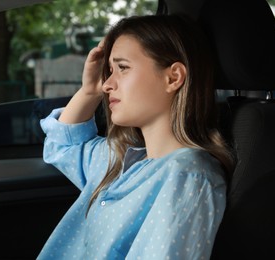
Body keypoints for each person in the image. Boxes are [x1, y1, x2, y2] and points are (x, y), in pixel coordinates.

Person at [38, 14, 234, 259]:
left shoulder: (187, 176)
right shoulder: (120, 160)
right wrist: (89, 92)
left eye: (122, 68)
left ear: (173, 77)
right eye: (108, 71)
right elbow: (62, 146)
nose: (107, 84)